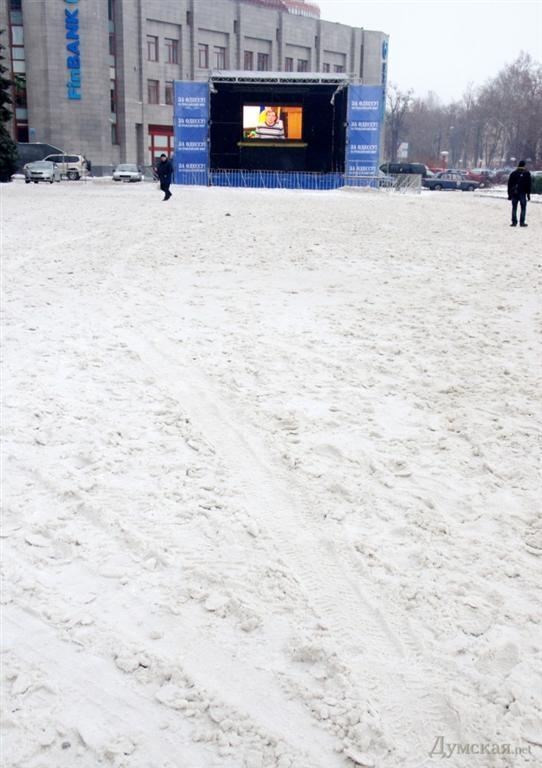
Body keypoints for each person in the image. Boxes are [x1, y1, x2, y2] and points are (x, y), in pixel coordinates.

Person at [507, 160, 531, 227]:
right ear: (524, 165)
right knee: (523, 207)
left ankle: (514, 222)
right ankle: (522, 222)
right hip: (522, 193)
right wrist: (528, 194)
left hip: (514, 193)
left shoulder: (513, 173)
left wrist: (509, 194)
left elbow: (509, 184)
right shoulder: (527, 174)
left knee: (514, 207)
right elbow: (528, 185)